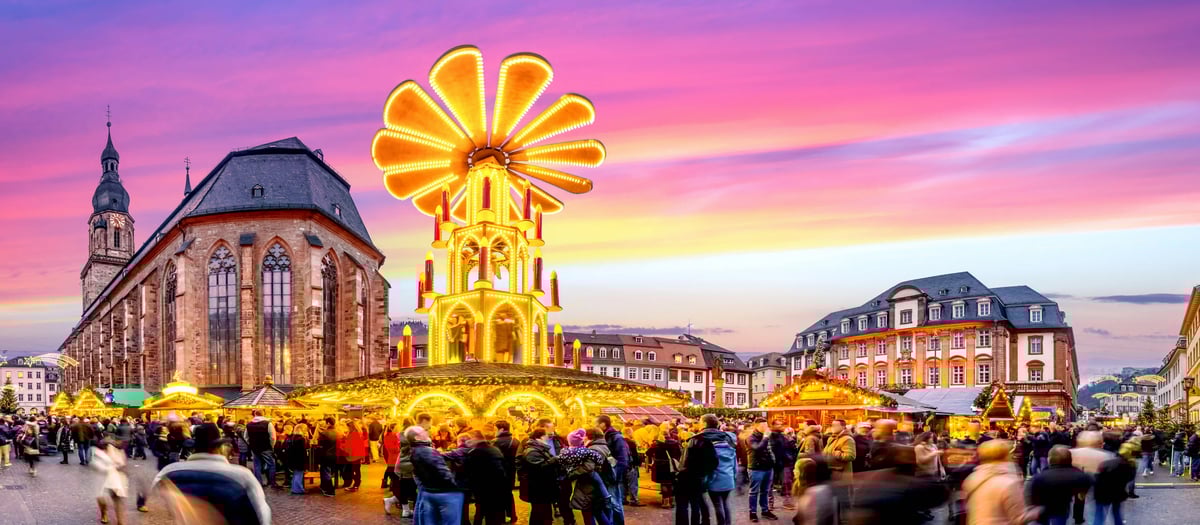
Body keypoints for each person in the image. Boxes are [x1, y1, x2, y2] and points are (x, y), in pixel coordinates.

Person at [153, 422, 271, 525]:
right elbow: (262, 514)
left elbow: (154, 503)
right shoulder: (241, 475)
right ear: (220, 447)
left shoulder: (169, 471)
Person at [963, 440, 1037, 525]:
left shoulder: (973, 477)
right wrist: (1039, 511)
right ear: (1005, 456)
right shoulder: (1008, 482)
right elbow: (1018, 518)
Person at [410, 425, 466, 525]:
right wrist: (455, 487)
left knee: (429, 520)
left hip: (429, 490)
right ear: (417, 438)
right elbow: (442, 471)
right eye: (422, 432)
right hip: (444, 492)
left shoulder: (413, 450)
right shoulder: (428, 451)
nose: (426, 433)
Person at [1027, 446, 1090, 525]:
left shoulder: (1039, 477)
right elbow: (1081, 496)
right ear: (1070, 459)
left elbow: (1032, 497)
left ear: (1049, 459)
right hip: (1061, 508)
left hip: (1041, 509)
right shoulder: (1079, 475)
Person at [465, 429, 508, 525]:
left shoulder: (475, 452)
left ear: (475, 439)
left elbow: (470, 471)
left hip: (484, 488)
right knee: (492, 513)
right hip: (498, 486)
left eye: (469, 439)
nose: (467, 442)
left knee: (482, 511)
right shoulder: (494, 449)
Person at [520, 428, 561, 525]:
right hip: (539, 489)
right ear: (540, 436)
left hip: (542, 489)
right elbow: (539, 468)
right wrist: (554, 460)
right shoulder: (532, 451)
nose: (548, 437)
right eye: (547, 435)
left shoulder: (539, 448)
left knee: (543, 512)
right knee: (539, 513)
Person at [595, 415, 629, 525]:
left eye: (596, 423)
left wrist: (615, 475)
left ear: (603, 424)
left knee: (614, 502)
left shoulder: (616, 437)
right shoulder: (605, 436)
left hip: (612, 475)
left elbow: (623, 459)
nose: (594, 425)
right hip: (606, 474)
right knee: (609, 502)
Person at [1092, 441, 1136, 525]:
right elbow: (1130, 478)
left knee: (1099, 514)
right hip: (1118, 492)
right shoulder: (1129, 466)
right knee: (1116, 512)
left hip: (1102, 491)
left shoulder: (1106, 463)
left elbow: (1098, 477)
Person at [92, 438, 129, 525]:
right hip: (102, 479)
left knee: (118, 499)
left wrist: (119, 466)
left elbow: (122, 463)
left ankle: (120, 521)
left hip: (116, 480)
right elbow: (96, 466)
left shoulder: (119, 452)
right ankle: (104, 513)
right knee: (102, 498)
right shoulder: (98, 454)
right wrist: (111, 467)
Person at [747, 418, 777, 522]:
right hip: (756, 468)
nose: (766, 428)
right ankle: (753, 513)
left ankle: (765, 510)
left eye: (766, 425)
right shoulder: (751, 438)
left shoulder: (768, 436)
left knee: (765, 491)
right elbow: (758, 449)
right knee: (754, 491)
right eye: (763, 426)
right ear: (757, 426)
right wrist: (765, 437)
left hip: (768, 467)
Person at [792, 456, 837, 525]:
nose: (793, 471)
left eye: (796, 469)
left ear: (802, 473)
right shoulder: (799, 486)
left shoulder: (812, 492)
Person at [647, 427, 682, 508]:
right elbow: (680, 453)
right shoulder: (675, 443)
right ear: (669, 434)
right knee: (672, 482)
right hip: (672, 465)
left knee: (664, 483)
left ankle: (665, 502)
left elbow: (648, 453)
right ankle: (672, 500)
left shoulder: (657, 444)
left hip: (660, 466)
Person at [244, 410, 278, 489]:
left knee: (257, 465)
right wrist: (272, 446)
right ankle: (272, 483)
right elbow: (272, 437)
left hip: (254, 448)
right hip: (266, 447)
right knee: (271, 464)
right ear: (264, 414)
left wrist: (251, 444)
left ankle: (258, 483)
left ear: (255, 414)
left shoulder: (249, 425)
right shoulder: (268, 423)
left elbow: (246, 437)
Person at [316, 417, 338, 497]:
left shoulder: (324, 433)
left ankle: (330, 490)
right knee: (328, 472)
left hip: (326, 456)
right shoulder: (338, 432)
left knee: (326, 472)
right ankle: (324, 487)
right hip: (335, 455)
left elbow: (320, 445)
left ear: (328, 423)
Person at [621, 427, 643, 507]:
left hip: (621, 465)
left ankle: (623, 499)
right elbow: (635, 455)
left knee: (623, 483)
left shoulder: (619, 442)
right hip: (631, 465)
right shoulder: (631, 442)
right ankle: (633, 500)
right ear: (629, 433)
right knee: (633, 484)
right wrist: (638, 463)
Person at [284, 423, 309, 495]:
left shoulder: (293, 437)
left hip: (293, 459)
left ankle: (295, 488)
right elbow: (303, 451)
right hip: (299, 459)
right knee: (299, 474)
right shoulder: (301, 439)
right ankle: (298, 489)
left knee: (296, 474)